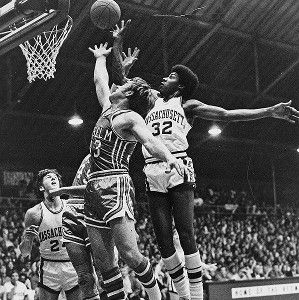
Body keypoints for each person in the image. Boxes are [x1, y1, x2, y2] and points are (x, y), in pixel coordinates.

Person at [112, 20, 299, 300]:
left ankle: (196, 296)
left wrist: (269, 111)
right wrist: (117, 45)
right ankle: (183, 294)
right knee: (163, 240)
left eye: (172, 76)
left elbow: (226, 114)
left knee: (185, 234)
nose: (165, 77)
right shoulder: (151, 100)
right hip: (151, 170)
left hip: (178, 165)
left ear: (181, 85)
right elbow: (123, 82)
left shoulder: (188, 106)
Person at [86, 41, 184, 300]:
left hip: (114, 185)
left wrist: (169, 157)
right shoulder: (108, 108)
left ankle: (154, 295)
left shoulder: (131, 118)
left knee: (129, 254)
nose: (119, 84)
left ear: (129, 96)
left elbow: (150, 141)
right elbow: (100, 83)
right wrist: (100, 58)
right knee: (104, 264)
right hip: (92, 187)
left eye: (125, 86)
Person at [19, 169, 81, 300]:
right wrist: (28, 239)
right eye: (48, 177)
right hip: (49, 266)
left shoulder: (71, 207)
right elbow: (24, 252)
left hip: (72, 264)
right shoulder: (33, 213)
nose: (53, 178)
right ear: (41, 187)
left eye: (56, 177)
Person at [48, 154, 102, 300]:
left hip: (93, 209)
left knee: (104, 273)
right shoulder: (91, 154)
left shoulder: (111, 154)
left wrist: (62, 191)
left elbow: (96, 188)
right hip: (72, 211)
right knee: (84, 278)